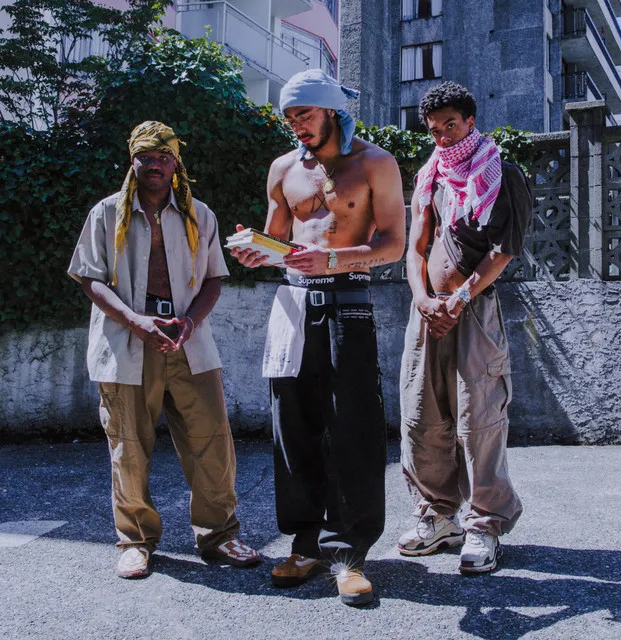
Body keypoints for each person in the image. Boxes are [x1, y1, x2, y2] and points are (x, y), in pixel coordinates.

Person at [231, 69, 406, 605]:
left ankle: (349, 555)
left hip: (348, 302)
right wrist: (255, 248)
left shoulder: (375, 163)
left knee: (351, 429)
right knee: (293, 428)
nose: (296, 127)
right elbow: (278, 238)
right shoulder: (284, 167)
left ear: (331, 109)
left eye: (304, 115)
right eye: (289, 118)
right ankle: (305, 545)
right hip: (290, 303)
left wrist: (334, 257)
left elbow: (395, 244)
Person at [68, 121, 259, 579]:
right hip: (124, 342)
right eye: (146, 156)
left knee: (212, 440)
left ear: (176, 163)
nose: (154, 164)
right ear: (132, 160)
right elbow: (90, 278)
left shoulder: (201, 215)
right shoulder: (106, 213)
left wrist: (189, 323)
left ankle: (219, 535)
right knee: (128, 446)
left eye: (164, 156)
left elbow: (214, 277)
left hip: (188, 342)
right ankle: (136, 541)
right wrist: (136, 321)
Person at [398, 82, 532, 573]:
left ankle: (485, 524)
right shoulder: (430, 177)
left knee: (480, 420)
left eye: (450, 126)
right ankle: (438, 517)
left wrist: (457, 297)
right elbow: (415, 248)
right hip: (427, 314)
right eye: (434, 130)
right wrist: (422, 299)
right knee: (422, 415)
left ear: (470, 122)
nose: (442, 138)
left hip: (472, 312)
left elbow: (503, 252)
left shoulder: (503, 174)